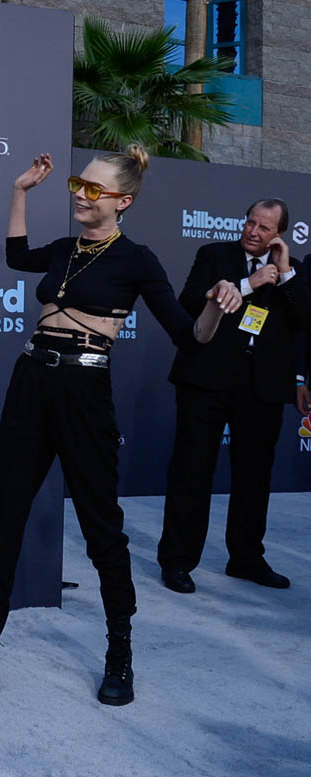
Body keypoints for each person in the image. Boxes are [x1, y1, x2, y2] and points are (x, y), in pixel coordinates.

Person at [0, 146, 242, 707]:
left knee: (102, 530)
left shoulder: (137, 260)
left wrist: (216, 304)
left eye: (94, 189)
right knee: (4, 520)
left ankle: (119, 655)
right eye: (78, 185)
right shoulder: (64, 249)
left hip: (84, 392)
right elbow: (16, 257)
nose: (81, 195)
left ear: (123, 201)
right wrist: (20, 192)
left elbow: (191, 337)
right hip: (30, 384)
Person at [158, 199, 311, 593]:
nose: (253, 232)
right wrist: (248, 284)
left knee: (254, 477)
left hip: (262, 389)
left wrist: (285, 272)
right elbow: (188, 304)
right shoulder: (214, 255)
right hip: (206, 381)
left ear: (279, 234)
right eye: (250, 223)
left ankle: (246, 558)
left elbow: (305, 320)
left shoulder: (292, 270)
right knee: (192, 472)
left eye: (264, 227)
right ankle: (177, 561)